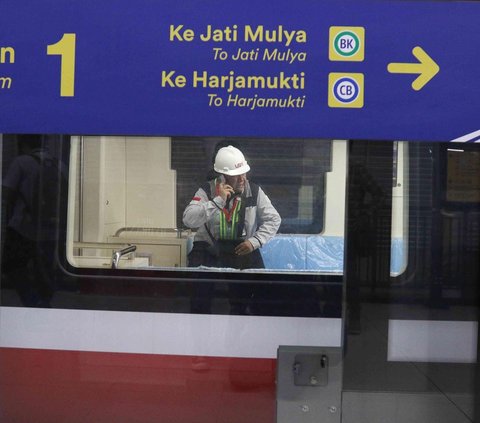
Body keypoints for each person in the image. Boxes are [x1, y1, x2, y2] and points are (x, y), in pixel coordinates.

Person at [183, 145, 281, 313]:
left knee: (263, 293)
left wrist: (254, 242)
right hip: (210, 249)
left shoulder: (254, 191)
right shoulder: (207, 191)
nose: (243, 178)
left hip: (242, 248)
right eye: (237, 175)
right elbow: (188, 220)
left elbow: (274, 219)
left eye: (244, 173)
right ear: (223, 176)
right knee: (199, 295)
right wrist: (217, 201)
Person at [2, 134, 64, 307]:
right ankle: (44, 302)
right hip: (51, 228)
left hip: (22, 227)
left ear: (23, 144)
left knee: (11, 266)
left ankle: (31, 301)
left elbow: (7, 192)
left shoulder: (21, 162)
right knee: (43, 270)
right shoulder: (58, 164)